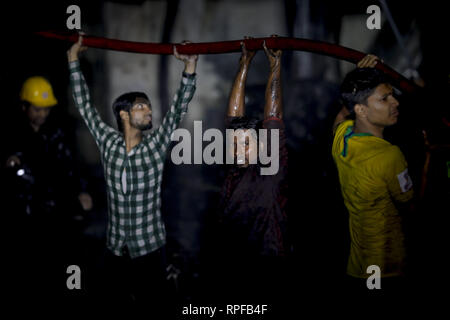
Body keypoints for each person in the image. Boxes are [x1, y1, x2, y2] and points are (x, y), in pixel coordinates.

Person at [67, 35, 198, 310]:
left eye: (148, 106)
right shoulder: (108, 142)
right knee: (116, 303)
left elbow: (176, 110)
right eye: (141, 106)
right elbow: (85, 107)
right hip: (116, 247)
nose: (149, 110)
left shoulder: (155, 145)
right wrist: (73, 58)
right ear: (124, 115)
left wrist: (189, 67)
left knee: (154, 305)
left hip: (150, 248)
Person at [1, 74, 93, 300]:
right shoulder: (11, 132)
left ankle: (72, 291)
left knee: (68, 256)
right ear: (24, 107)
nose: (42, 114)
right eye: (37, 109)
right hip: (24, 210)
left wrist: (81, 190)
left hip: (55, 206)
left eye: (46, 109)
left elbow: (71, 165)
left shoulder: (56, 132)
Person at [332, 54, 415, 294]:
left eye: (392, 96)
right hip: (389, 268)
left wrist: (357, 84)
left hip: (357, 266)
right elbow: (411, 207)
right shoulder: (389, 156)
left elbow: (340, 117)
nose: (395, 103)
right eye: (384, 98)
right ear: (361, 110)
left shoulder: (343, 140)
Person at [214, 36, 289, 302]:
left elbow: (273, 117)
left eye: (247, 144)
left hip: (267, 268)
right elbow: (233, 119)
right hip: (234, 265)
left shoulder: (270, 168)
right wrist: (244, 63)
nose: (238, 150)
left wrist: (275, 67)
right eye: (235, 144)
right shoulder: (234, 171)